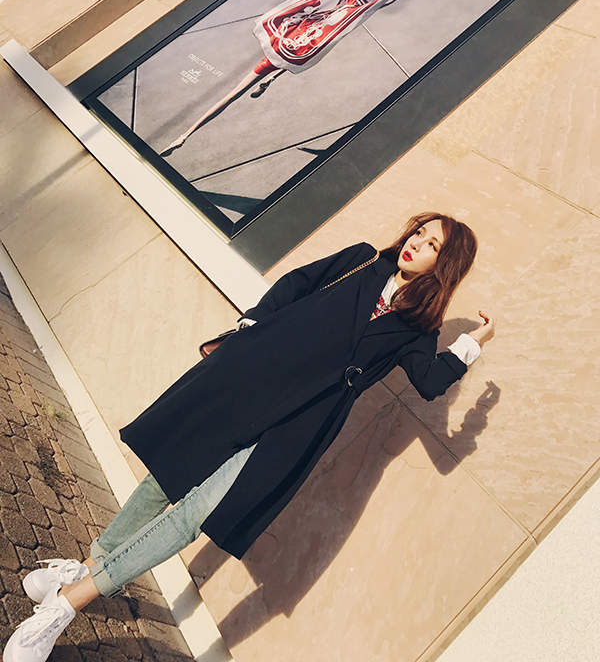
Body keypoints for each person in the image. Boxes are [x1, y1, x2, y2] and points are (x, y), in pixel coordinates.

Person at [3, 212, 495, 662]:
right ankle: (90, 565)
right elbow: (296, 284)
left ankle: (66, 606)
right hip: (251, 382)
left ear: (444, 266)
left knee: (197, 514)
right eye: (418, 232)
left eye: (432, 245)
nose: (416, 244)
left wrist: (472, 343)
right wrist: (250, 326)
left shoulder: (417, 329)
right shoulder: (362, 260)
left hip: (298, 425)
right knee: (167, 476)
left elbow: (429, 382)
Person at [159, 0, 416, 156]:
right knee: (251, 84)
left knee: (237, 91)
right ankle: (191, 131)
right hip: (288, 54)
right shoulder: (322, 19)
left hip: (287, 53)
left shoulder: (320, 18)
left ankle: (187, 133)